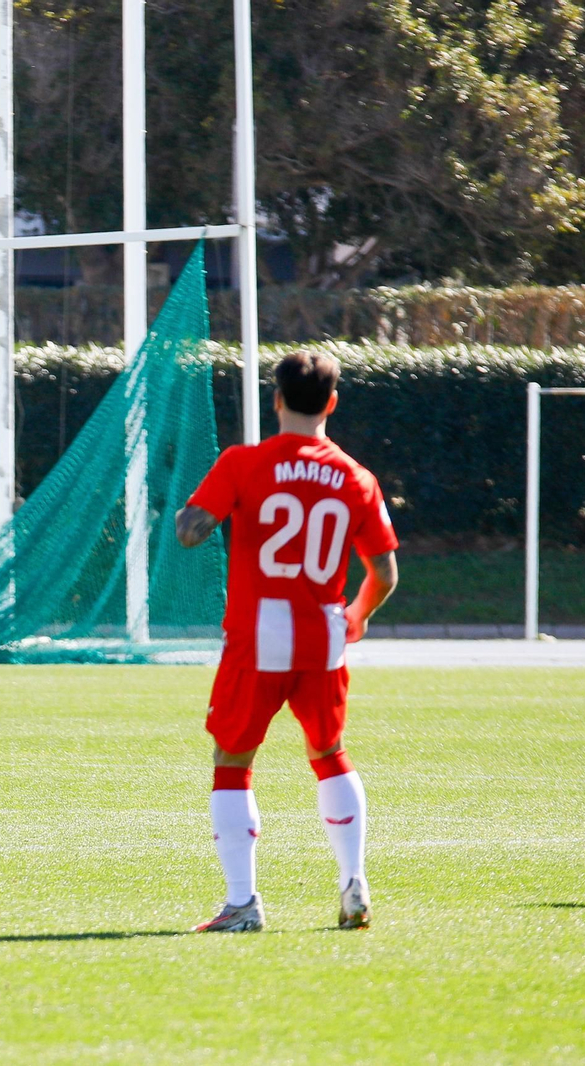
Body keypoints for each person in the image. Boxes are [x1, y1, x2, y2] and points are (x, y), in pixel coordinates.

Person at [175, 350, 399, 931]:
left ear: (276, 400)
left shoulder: (245, 462)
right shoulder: (356, 476)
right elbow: (386, 573)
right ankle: (354, 885)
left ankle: (242, 903)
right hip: (323, 632)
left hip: (259, 634)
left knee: (232, 759)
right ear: (331, 403)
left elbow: (191, 532)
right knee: (328, 753)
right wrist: (357, 614)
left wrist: (193, 513)